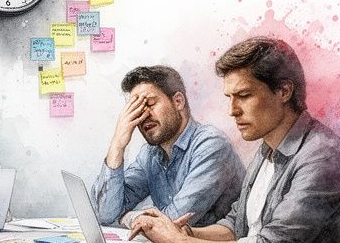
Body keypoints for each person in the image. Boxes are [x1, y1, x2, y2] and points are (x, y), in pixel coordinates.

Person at [129, 38, 340, 243]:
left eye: (243, 95)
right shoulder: (268, 149)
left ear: (284, 91)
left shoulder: (321, 156)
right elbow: (237, 225)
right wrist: (187, 233)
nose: (232, 110)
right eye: (230, 97)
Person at [91, 65, 244, 229]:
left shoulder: (211, 145)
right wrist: (117, 144)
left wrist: (129, 217)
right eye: (135, 109)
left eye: (149, 104)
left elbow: (175, 222)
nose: (141, 116)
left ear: (178, 101)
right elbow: (105, 214)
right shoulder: (149, 154)